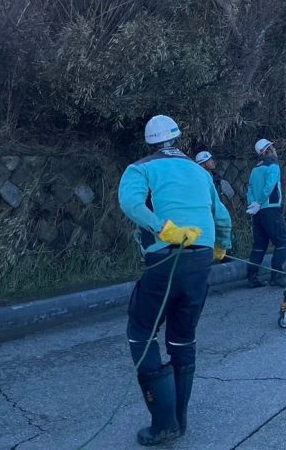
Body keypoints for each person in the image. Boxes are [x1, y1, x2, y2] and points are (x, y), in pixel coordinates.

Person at [119, 115, 232, 446]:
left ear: (149, 143)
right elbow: (221, 215)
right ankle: (179, 420)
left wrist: (161, 228)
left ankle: (164, 423)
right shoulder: (200, 171)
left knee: (141, 333)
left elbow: (130, 203)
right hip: (200, 260)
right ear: (177, 139)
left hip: (165, 257)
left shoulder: (140, 169)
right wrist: (222, 246)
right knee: (183, 338)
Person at [246, 138, 286, 288]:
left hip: (257, 212)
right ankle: (276, 275)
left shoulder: (255, 169)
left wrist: (253, 204)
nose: (275, 150)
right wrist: (260, 201)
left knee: (259, 244)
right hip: (270, 208)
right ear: (268, 151)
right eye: (272, 147)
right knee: (281, 242)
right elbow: (270, 186)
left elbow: (250, 189)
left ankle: (252, 277)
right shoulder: (273, 166)